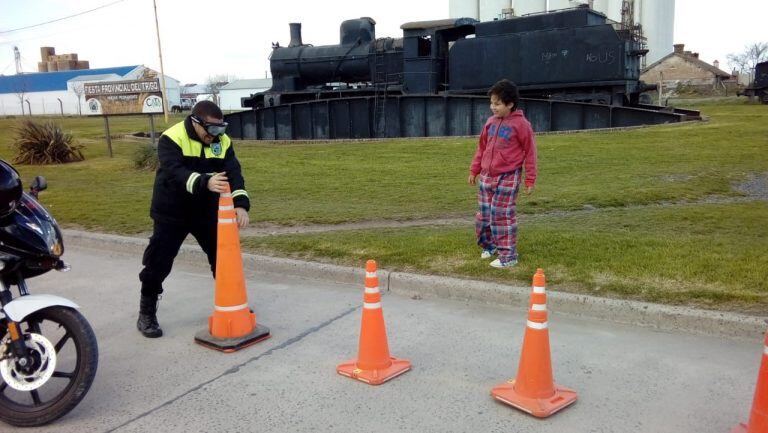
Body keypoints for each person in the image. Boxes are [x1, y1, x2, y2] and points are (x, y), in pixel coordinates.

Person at [137, 101, 250, 338]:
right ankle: (146, 311)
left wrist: (240, 205)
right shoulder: (172, 138)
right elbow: (175, 172)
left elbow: (234, 173)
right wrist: (204, 182)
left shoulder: (222, 141)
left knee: (223, 259)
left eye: (221, 129)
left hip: (206, 212)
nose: (216, 135)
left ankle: (232, 304)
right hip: (171, 211)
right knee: (158, 262)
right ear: (196, 122)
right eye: (212, 129)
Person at [468, 79, 537, 268]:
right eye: (491, 103)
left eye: (497, 104)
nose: (493, 107)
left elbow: (530, 153)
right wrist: (474, 170)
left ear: (510, 104)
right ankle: (489, 246)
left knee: (501, 214)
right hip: (487, 175)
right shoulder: (490, 123)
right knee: (484, 215)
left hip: (508, 175)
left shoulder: (522, 125)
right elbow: (481, 148)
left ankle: (508, 256)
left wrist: (530, 179)